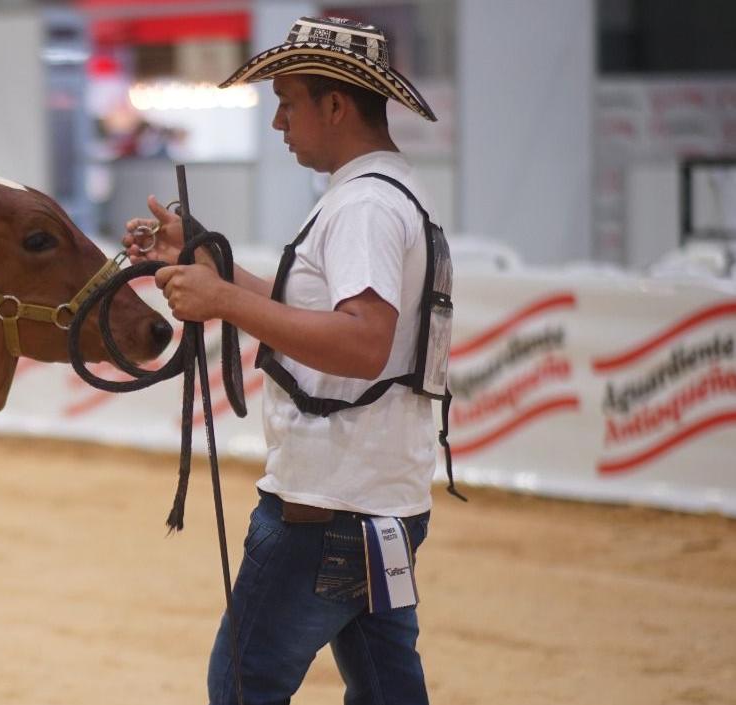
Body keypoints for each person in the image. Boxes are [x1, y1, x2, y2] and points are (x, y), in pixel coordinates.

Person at [123, 16, 450, 705]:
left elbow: (362, 343)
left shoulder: (361, 205)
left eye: (287, 102)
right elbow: (316, 310)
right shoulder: (387, 191)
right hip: (379, 503)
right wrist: (205, 263)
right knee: (387, 689)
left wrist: (222, 300)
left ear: (334, 105)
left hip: (323, 507)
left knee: (243, 686)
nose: (278, 123)